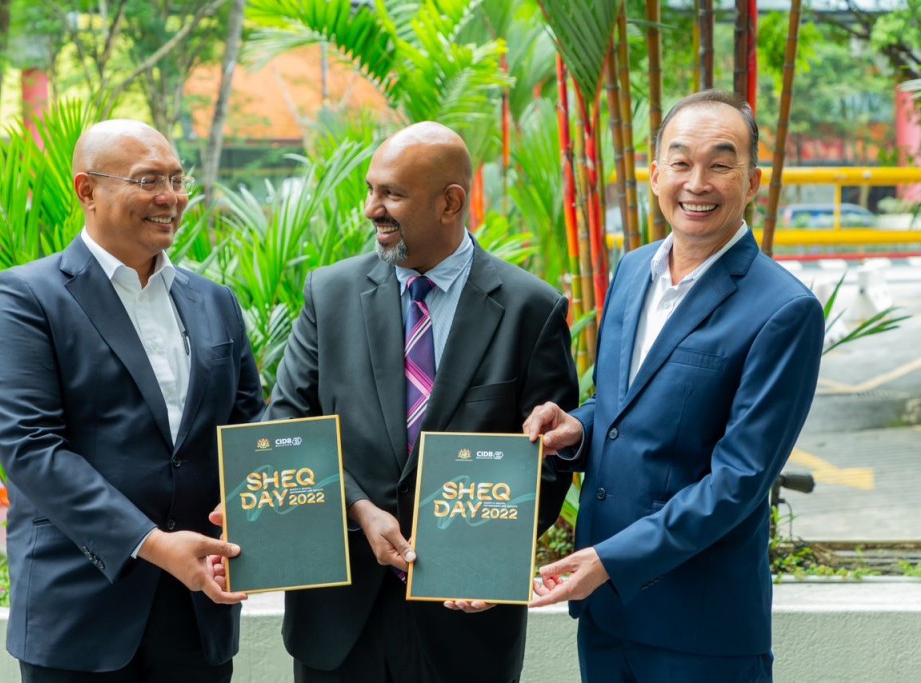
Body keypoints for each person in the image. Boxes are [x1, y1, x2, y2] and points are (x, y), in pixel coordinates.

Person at [524, 90, 825, 682]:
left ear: (754, 180)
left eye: (721, 163)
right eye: (681, 162)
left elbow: (739, 482)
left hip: (700, 629)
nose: (698, 182)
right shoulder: (632, 270)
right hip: (608, 620)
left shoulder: (784, 309)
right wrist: (577, 428)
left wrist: (612, 560)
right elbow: (623, 408)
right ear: (655, 172)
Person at [264, 121, 578, 682]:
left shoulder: (533, 308)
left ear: (450, 202)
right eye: (370, 189)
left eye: (391, 195)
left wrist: (492, 554)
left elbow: (548, 463)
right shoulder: (328, 293)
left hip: (466, 625)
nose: (371, 209)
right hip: (337, 623)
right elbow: (288, 425)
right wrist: (359, 508)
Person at [0, 119, 265, 682]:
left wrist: (252, 502)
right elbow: (31, 449)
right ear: (87, 190)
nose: (171, 198)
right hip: (82, 613)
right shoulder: (28, 296)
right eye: (148, 180)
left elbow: (249, 425)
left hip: (200, 612)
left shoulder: (214, 301)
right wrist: (154, 545)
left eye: (177, 180)